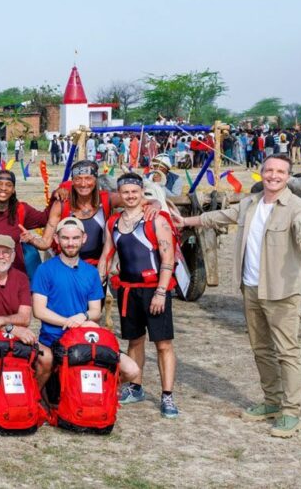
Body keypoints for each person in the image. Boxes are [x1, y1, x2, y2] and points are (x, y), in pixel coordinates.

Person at [175, 155, 301, 437]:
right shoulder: (250, 204)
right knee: (261, 349)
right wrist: (185, 219)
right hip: (251, 287)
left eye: (280, 171)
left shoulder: (297, 207)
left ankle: (291, 412)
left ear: (288, 176)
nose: (273, 176)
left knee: (287, 351)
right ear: (261, 173)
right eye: (269, 170)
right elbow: (220, 216)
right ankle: (271, 401)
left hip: (281, 290)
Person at [98, 172, 179, 419]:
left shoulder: (157, 219)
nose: (131, 196)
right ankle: (135, 387)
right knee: (134, 341)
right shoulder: (113, 222)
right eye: (126, 193)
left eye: (135, 192)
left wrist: (161, 292)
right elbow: (106, 255)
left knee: (163, 344)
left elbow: (168, 259)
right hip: (127, 290)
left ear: (142, 192)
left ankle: (167, 395)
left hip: (154, 289)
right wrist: (94, 285)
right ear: (119, 195)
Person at [32, 218, 140, 395]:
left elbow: (96, 311)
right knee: (50, 371)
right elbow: (39, 310)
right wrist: (69, 322)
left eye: (75, 238)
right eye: (65, 238)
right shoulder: (45, 270)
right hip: (55, 338)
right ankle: (39, 396)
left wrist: (84, 317)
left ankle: (101, 391)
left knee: (132, 370)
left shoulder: (91, 272)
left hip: (85, 336)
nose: (70, 243)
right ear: (57, 239)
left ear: (84, 238)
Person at [41, 160, 158, 267]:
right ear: (73, 181)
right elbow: (45, 242)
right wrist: (30, 239)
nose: (83, 184)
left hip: (97, 267)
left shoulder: (107, 199)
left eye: (88, 178)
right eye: (78, 179)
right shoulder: (62, 204)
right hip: (65, 266)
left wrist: (155, 204)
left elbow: (138, 199)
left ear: (95, 180)